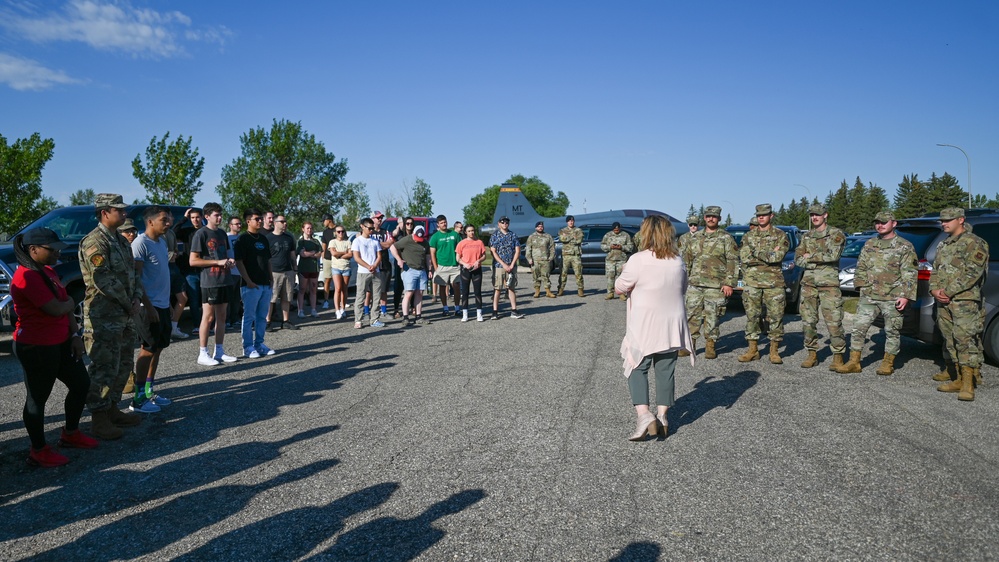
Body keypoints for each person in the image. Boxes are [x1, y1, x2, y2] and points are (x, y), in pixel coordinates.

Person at [11, 228, 97, 466]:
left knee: (81, 384)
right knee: (38, 398)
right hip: (36, 346)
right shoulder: (26, 276)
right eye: (52, 249)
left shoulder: (47, 271)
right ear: (33, 250)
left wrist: (75, 335)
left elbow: (65, 307)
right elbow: (57, 308)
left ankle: (70, 434)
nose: (57, 252)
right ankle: (38, 450)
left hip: (61, 341)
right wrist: (70, 301)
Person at [615, 215, 693, 442]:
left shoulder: (638, 259)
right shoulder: (678, 260)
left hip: (645, 322)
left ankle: (644, 416)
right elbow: (683, 287)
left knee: (636, 365)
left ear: (646, 233)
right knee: (665, 368)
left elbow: (620, 287)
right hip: (672, 323)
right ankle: (663, 417)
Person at [80, 193, 143, 440]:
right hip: (104, 315)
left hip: (125, 313)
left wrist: (136, 297)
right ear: (105, 212)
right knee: (104, 366)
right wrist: (129, 302)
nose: (124, 214)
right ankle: (99, 419)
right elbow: (102, 278)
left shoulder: (121, 240)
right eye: (120, 210)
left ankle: (113, 409)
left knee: (123, 363)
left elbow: (133, 273)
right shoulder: (94, 242)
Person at [836, 212, 917, 376]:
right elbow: (861, 267)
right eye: (877, 223)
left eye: (883, 222)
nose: (880, 225)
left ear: (893, 223)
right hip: (870, 296)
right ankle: (854, 362)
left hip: (893, 296)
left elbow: (910, 273)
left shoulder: (904, 246)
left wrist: (905, 295)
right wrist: (861, 287)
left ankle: (888, 363)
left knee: (892, 331)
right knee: (858, 328)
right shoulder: (870, 243)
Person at [930, 208, 989, 401]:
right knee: (949, 338)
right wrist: (934, 290)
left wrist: (948, 291)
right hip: (944, 300)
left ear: (961, 220)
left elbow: (972, 273)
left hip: (965, 300)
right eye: (942, 220)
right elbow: (935, 270)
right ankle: (957, 377)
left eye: (948, 220)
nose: (944, 223)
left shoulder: (974, 242)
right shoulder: (944, 244)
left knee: (964, 340)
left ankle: (968, 383)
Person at [129, 206, 176, 414]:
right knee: (147, 348)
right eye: (164, 220)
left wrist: (168, 303)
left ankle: (149, 391)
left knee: (157, 348)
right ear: (150, 222)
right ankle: (138, 398)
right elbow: (136, 279)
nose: (168, 223)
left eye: (169, 219)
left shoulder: (162, 242)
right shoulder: (140, 244)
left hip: (162, 305)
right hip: (148, 306)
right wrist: (148, 307)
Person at [680, 206, 738, 360]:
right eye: (708, 216)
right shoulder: (695, 237)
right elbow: (687, 260)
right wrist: (684, 280)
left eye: (714, 216)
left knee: (712, 317)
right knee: (691, 314)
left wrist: (729, 283)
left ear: (719, 218)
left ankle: (710, 345)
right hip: (695, 283)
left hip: (716, 285)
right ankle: (689, 345)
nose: (711, 219)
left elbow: (732, 261)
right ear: (704, 218)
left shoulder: (726, 238)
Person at [795, 203, 848, 369]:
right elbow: (798, 258)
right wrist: (814, 258)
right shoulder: (807, 236)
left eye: (817, 214)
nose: (814, 217)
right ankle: (812, 354)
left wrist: (809, 256)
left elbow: (833, 255)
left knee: (833, 321)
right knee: (808, 321)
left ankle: (838, 356)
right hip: (809, 284)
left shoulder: (836, 234)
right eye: (812, 215)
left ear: (826, 215)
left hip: (829, 285)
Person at [738, 204, 789, 364]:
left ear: (771, 216)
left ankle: (774, 351)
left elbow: (777, 257)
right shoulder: (748, 236)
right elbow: (745, 257)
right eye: (759, 214)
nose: (761, 217)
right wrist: (768, 254)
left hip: (774, 283)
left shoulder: (781, 235)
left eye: (765, 214)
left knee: (776, 316)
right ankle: (753, 350)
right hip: (752, 282)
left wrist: (756, 252)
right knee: (752, 316)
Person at [190, 202, 237, 366]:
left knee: (222, 317)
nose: (220, 217)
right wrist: (218, 262)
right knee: (208, 317)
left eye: (221, 214)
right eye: (216, 215)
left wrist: (229, 262)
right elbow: (193, 261)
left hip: (225, 279)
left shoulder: (223, 233)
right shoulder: (201, 234)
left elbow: (225, 254)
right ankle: (203, 353)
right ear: (207, 216)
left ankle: (220, 351)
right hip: (209, 282)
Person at [234, 208, 276, 358]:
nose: (260, 221)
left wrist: (271, 278)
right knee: (249, 316)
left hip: (265, 284)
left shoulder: (264, 239)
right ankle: (247, 347)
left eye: (260, 219)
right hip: (251, 285)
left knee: (262, 316)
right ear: (248, 221)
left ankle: (259, 344)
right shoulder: (243, 239)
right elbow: (239, 262)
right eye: (257, 219)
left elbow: (268, 260)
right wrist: (248, 281)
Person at [390, 224, 433, 325]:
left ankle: (418, 316)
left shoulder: (425, 243)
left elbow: (427, 257)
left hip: (421, 270)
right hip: (409, 270)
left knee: (419, 294)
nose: (418, 240)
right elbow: (392, 247)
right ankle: (405, 317)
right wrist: (399, 260)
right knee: (408, 293)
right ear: (413, 233)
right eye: (417, 237)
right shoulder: (406, 240)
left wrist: (430, 269)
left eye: (420, 238)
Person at [265, 214, 299, 331]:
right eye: (282, 221)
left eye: (285, 221)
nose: (285, 224)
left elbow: (292, 255)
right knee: (271, 298)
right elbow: (266, 258)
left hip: (288, 271)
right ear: (275, 223)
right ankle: (267, 321)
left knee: (287, 297)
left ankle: (286, 321)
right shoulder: (268, 238)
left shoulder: (289, 238)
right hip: (274, 272)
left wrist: (295, 269)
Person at [489, 216, 525, 320]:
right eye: (502, 222)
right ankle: (495, 311)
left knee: (511, 288)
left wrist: (512, 264)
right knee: (498, 288)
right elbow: (493, 251)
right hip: (499, 266)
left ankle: (514, 310)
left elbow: (517, 250)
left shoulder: (512, 235)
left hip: (511, 265)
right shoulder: (495, 235)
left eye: (506, 222)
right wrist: (503, 264)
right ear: (499, 224)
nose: (505, 224)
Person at [352, 217, 385, 328]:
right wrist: (367, 266)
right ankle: (358, 320)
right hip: (363, 272)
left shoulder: (375, 241)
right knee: (360, 296)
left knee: (376, 296)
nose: (371, 231)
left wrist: (374, 265)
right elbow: (356, 257)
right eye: (369, 228)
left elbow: (379, 256)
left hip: (376, 272)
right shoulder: (357, 241)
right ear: (362, 226)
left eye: (372, 229)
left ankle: (374, 319)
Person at [177, 207, 204, 330]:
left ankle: (208, 324)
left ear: (202, 217)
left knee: (206, 300)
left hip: (205, 270)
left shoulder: (206, 231)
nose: (195, 220)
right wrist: (183, 219)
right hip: (190, 272)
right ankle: (197, 325)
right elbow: (172, 232)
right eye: (192, 218)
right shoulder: (186, 231)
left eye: (197, 217)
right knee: (193, 300)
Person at [430, 214, 462, 317]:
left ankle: (457, 308)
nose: (444, 224)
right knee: (442, 287)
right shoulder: (435, 237)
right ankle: (445, 308)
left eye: (445, 222)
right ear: (438, 225)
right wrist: (436, 268)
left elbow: (461, 248)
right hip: (442, 266)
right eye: (442, 223)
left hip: (454, 265)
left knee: (456, 286)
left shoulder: (454, 234)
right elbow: (432, 253)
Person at [456, 224, 487, 322]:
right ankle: (465, 313)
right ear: (465, 232)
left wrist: (479, 261)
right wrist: (464, 263)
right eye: (469, 231)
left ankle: (479, 313)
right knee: (465, 292)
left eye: (472, 230)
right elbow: (458, 258)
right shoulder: (461, 243)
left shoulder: (479, 242)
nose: (471, 233)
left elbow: (484, 256)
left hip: (476, 269)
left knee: (477, 292)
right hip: (465, 270)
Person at [369, 211, 394, 322]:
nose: (380, 220)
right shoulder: (369, 232)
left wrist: (376, 244)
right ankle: (366, 311)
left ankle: (383, 311)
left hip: (384, 264)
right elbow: (368, 244)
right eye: (377, 218)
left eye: (381, 218)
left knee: (383, 289)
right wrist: (381, 244)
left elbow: (389, 243)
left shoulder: (385, 232)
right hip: (371, 264)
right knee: (369, 290)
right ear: (372, 219)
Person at [601, 222, 634, 300]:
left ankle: (622, 293)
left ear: (620, 228)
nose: (616, 230)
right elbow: (602, 245)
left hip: (621, 259)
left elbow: (630, 246)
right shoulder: (608, 235)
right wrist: (610, 247)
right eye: (615, 229)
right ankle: (610, 293)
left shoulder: (625, 235)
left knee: (621, 277)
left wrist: (622, 247)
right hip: (610, 259)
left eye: (617, 229)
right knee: (610, 277)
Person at [326, 225, 353, 320]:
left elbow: (350, 254)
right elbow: (333, 253)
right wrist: (344, 253)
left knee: (344, 289)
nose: (340, 233)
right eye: (338, 231)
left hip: (346, 267)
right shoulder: (332, 242)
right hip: (336, 267)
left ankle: (343, 308)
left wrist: (340, 253)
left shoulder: (348, 242)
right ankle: (337, 310)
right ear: (335, 233)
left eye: (342, 231)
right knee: (337, 288)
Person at [297, 221, 322, 318]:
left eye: (311, 228)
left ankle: (313, 309)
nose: (309, 230)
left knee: (313, 289)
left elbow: (319, 254)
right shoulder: (300, 241)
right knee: (302, 289)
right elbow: (302, 254)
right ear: (303, 229)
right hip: (304, 268)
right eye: (307, 228)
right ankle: (301, 310)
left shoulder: (315, 241)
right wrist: (312, 252)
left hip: (314, 269)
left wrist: (309, 253)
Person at [391, 218, 416, 318]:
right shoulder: (399, 234)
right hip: (400, 263)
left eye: (411, 223)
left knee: (413, 286)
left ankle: (413, 307)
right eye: (407, 223)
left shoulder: (415, 234)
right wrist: (398, 259)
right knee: (398, 286)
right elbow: (393, 238)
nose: (409, 225)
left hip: (412, 262)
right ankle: (396, 309)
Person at [526, 221, 556, 298]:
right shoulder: (531, 237)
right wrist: (529, 258)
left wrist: (551, 257)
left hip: (545, 260)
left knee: (546, 276)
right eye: (539, 226)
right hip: (535, 260)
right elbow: (528, 248)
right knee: (536, 276)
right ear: (536, 228)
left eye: (541, 226)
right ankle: (537, 291)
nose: (540, 227)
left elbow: (552, 247)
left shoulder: (548, 236)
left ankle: (548, 292)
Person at [558, 216, 585, 297]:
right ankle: (560, 289)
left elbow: (579, 240)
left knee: (578, 273)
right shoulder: (562, 230)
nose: (571, 222)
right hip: (566, 255)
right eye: (569, 221)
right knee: (563, 273)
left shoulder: (578, 230)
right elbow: (562, 239)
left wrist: (567, 237)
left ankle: (580, 290)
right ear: (567, 222)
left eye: (572, 221)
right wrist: (572, 237)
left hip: (575, 255)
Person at [225, 216, 243, 329]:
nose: (239, 226)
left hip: (240, 271)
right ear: (230, 225)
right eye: (236, 224)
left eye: (240, 224)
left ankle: (235, 318)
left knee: (237, 297)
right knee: (228, 297)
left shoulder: (242, 238)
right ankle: (226, 320)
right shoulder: (226, 237)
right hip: (230, 271)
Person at [319, 214, 338, 310]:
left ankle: (340, 300)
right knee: (327, 279)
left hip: (337, 258)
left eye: (324, 221)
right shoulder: (325, 232)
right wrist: (323, 257)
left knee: (339, 281)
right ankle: (326, 301)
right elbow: (324, 245)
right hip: (328, 259)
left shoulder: (339, 230)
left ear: (329, 220)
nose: (323, 223)